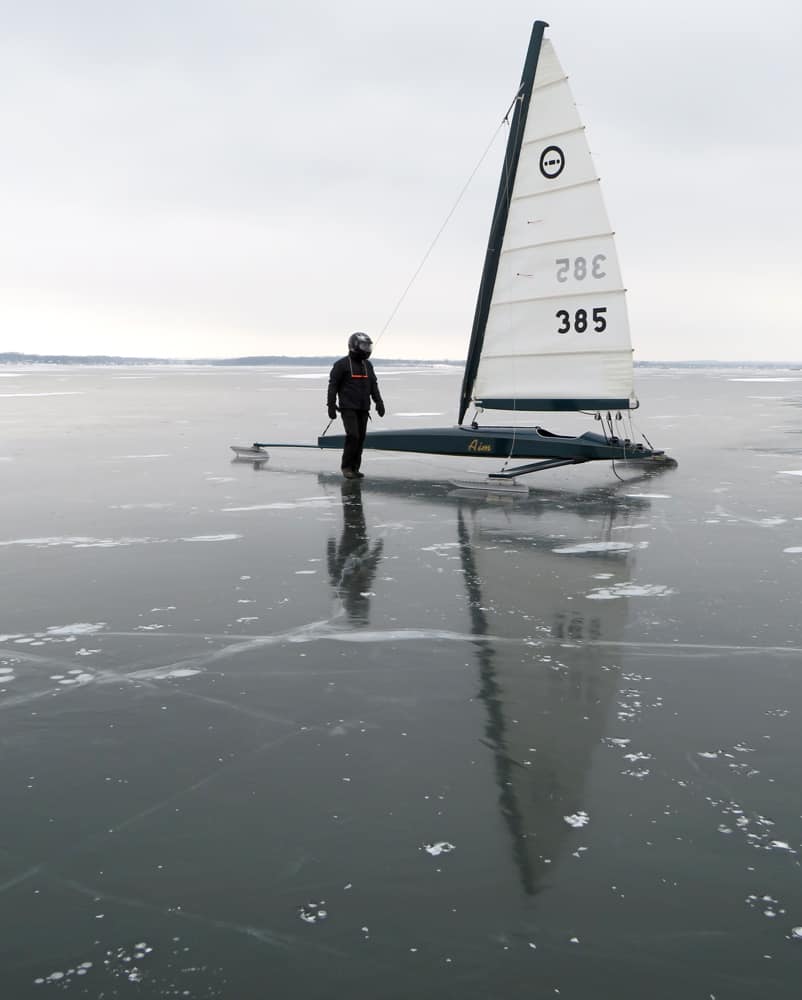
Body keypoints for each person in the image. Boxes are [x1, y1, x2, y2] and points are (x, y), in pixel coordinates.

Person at [327, 332, 385, 479]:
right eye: (364, 345)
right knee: (353, 435)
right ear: (354, 346)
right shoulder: (341, 365)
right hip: (348, 408)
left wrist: (379, 401)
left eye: (368, 346)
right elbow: (333, 386)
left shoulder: (368, 365)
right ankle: (346, 467)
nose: (366, 349)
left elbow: (373, 384)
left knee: (360, 438)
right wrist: (331, 405)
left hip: (364, 407)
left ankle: (355, 468)